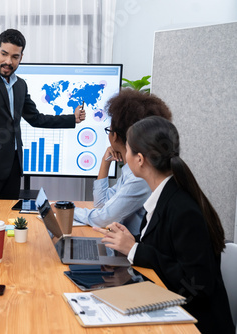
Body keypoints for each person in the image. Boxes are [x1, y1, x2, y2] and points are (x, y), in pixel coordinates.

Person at [95, 116, 235, 333]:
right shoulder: (166, 195)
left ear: (139, 159)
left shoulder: (182, 208)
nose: (124, 156)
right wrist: (133, 242)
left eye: (128, 150)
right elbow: (166, 247)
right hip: (171, 307)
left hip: (193, 323)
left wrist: (134, 249)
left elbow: (197, 284)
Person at [0, 29, 86, 199]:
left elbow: (36, 118)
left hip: (14, 168)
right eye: (4, 54)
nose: (8, 61)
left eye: (15, 57)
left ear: (21, 57)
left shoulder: (20, 85)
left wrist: (72, 118)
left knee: (10, 221)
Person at [73, 90, 172, 235]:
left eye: (109, 130)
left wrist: (66, 209)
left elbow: (103, 218)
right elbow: (101, 204)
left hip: (133, 251)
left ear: (116, 136)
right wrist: (105, 162)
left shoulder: (139, 178)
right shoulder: (133, 170)